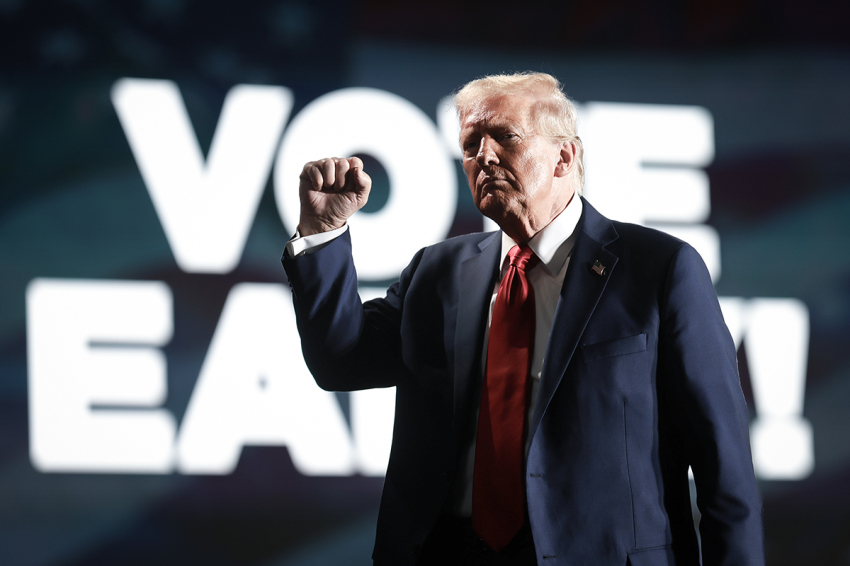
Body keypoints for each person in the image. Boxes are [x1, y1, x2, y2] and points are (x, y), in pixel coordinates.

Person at [281, 72, 764, 566]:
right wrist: (322, 233)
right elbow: (342, 361)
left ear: (564, 157)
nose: (483, 157)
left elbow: (722, 465)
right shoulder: (436, 272)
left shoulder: (660, 270)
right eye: (471, 144)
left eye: (504, 137)